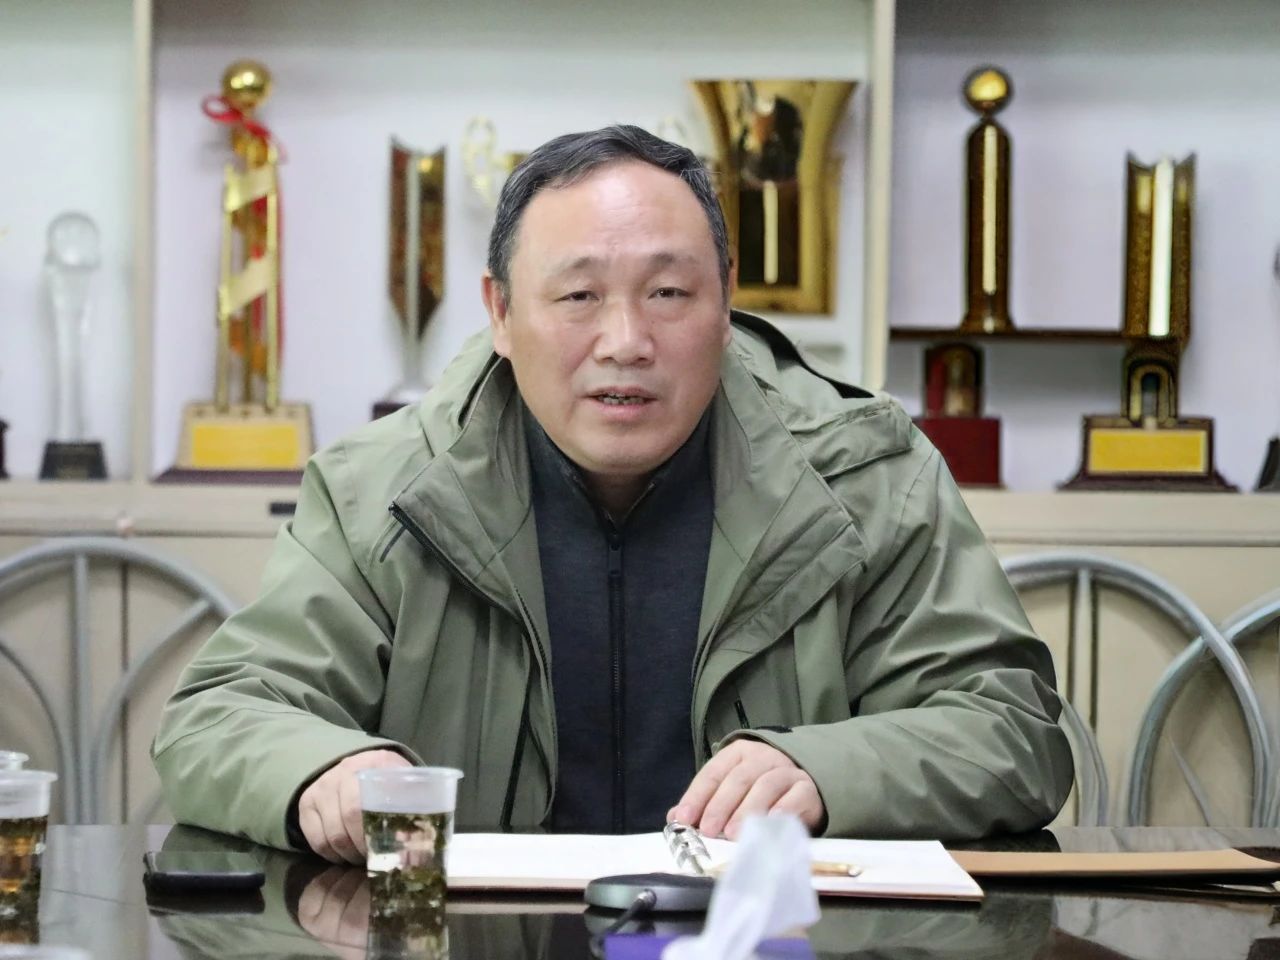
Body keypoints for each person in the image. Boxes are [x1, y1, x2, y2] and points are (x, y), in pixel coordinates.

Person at [153, 125, 1073, 863]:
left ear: (726, 302)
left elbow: (1014, 729)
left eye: (669, 293)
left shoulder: (863, 474)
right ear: (500, 312)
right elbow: (220, 714)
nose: (626, 341)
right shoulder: (384, 491)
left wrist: (829, 770)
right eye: (579, 297)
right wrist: (326, 768)